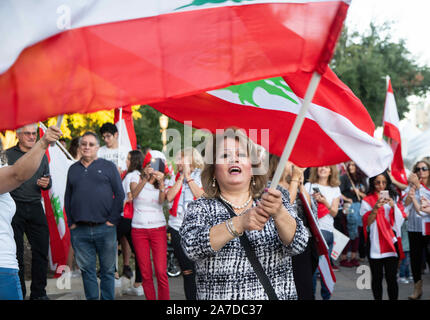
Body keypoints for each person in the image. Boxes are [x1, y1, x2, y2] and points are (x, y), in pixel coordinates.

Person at [180, 128, 308, 300]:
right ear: (213, 171)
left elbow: (299, 244)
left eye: (241, 154)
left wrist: (279, 213)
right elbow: (191, 248)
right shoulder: (201, 207)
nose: (234, 159)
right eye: (225, 156)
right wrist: (238, 224)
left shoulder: (275, 197)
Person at [0, 126, 62, 300]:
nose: (31, 136)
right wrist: (44, 143)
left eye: (34, 133)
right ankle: (22, 292)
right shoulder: (7, 155)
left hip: (35, 205)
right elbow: (16, 175)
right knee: (17, 253)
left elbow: (47, 178)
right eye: (27, 133)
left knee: (41, 250)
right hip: (15, 209)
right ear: (18, 135)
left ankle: (39, 293)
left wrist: (46, 183)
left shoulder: (42, 155)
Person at [64, 131, 124, 300]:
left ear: (98, 147)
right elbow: (68, 197)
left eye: (91, 144)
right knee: (87, 272)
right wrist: (71, 223)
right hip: (80, 231)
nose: (87, 147)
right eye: (84, 144)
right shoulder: (73, 169)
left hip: (105, 229)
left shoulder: (108, 167)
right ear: (80, 147)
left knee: (107, 271)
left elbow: (119, 195)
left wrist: (112, 221)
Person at [268, 154, 319, 300]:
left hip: (306, 242)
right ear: (277, 163)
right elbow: (285, 205)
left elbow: (310, 209)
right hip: (286, 243)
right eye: (290, 160)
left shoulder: (297, 184)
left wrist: (300, 183)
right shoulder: (271, 186)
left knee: (306, 287)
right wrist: (295, 180)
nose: (294, 164)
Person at [130, 150, 170, 300]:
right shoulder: (136, 177)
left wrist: (161, 183)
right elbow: (133, 194)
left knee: (160, 271)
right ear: (146, 164)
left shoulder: (162, 181)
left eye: (157, 165)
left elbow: (161, 201)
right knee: (146, 273)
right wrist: (146, 178)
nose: (153, 167)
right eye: (150, 164)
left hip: (158, 229)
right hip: (139, 230)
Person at [166, 147, 205, 300]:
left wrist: (189, 178)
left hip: (197, 229)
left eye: (181, 159)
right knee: (187, 271)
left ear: (191, 160)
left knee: (201, 271)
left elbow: (202, 197)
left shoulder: (202, 176)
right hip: (177, 228)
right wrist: (181, 178)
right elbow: (169, 197)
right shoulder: (174, 177)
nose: (178, 162)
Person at [360, 171, 405, 300]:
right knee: (377, 277)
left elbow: (401, 219)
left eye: (384, 182)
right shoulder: (367, 200)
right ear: (373, 184)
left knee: (391, 278)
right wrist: (375, 209)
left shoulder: (394, 197)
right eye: (377, 182)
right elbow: (367, 223)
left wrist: (393, 206)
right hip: (374, 243)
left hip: (391, 242)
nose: (381, 186)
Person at [304, 166, 341, 300]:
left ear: (331, 171)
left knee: (325, 268)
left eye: (326, 167)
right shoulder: (308, 185)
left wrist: (324, 201)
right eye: (320, 166)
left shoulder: (335, 189)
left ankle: (326, 296)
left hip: (326, 231)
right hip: (312, 231)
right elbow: (304, 208)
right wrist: (313, 200)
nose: (323, 169)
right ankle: (312, 296)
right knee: (313, 270)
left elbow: (334, 213)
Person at [403, 159, 430, 299]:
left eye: (424, 168)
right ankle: (417, 289)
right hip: (414, 227)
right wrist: (411, 194)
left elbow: (427, 204)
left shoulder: (426, 187)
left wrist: (419, 186)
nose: (421, 171)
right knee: (415, 259)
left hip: (428, 228)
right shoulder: (411, 186)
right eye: (418, 169)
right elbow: (405, 205)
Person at [120, 150, 144, 296]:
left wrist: (129, 197)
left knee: (108, 243)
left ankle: (116, 275)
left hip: (126, 216)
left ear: (133, 161)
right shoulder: (136, 175)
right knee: (138, 251)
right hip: (131, 217)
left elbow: (134, 195)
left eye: (128, 159)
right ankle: (137, 284)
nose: (126, 161)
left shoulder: (132, 175)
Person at [339, 161, 367, 267]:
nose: (351, 167)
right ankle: (344, 258)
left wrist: (358, 193)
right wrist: (347, 199)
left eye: (353, 164)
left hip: (359, 208)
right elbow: (338, 192)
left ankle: (354, 258)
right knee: (347, 231)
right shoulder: (345, 178)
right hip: (348, 208)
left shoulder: (362, 179)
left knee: (357, 232)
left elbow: (366, 195)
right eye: (349, 165)